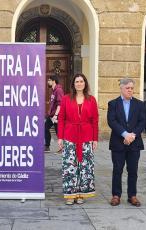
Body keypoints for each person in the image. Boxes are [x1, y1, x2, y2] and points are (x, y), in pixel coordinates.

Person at [57, 73, 98, 205]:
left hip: (86, 136)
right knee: (70, 166)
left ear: (85, 83)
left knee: (85, 166)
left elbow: (95, 120)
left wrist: (95, 139)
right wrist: (60, 137)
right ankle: (70, 194)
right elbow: (61, 118)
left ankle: (81, 193)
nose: (79, 83)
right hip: (70, 136)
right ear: (73, 84)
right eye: (77, 81)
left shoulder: (91, 99)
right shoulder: (66, 98)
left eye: (81, 81)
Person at [107, 78, 146, 207]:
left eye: (131, 88)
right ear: (121, 88)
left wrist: (132, 135)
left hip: (134, 143)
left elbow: (142, 122)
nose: (130, 90)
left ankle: (132, 195)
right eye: (127, 88)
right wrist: (124, 134)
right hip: (118, 142)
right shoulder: (113, 104)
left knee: (133, 170)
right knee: (117, 169)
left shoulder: (140, 104)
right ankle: (116, 195)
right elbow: (112, 121)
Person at [45, 75, 64, 152]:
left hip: (56, 115)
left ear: (53, 81)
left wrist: (56, 115)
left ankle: (62, 148)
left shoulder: (58, 90)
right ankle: (47, 146)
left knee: (59, 132)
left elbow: (60, 104)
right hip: (52, 115)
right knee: (45, 128)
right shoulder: (54, 90)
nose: (48, 82)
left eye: (49, 80)